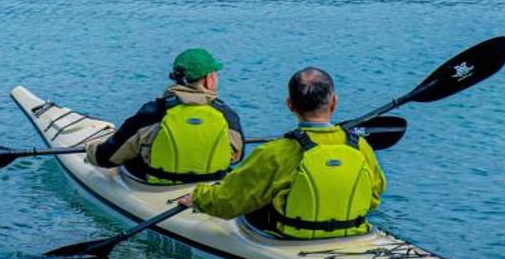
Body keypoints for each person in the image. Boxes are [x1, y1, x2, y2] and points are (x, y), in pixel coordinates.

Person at [176, 66, 385, 238]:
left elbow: (230, 201)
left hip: (292, 239)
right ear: (334, 103)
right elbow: (374, 197)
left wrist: (199, 198)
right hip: (354, 234)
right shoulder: (359, 145)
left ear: (290, 104)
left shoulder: (275, 152)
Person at [81, 47, 244, 185]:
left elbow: (107, 158)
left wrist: (91, 149)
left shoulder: (154, 112)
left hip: (156, 187)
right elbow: (237, 156)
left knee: (132, 153)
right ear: (209, 80)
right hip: (211, 186)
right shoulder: (227, 114)